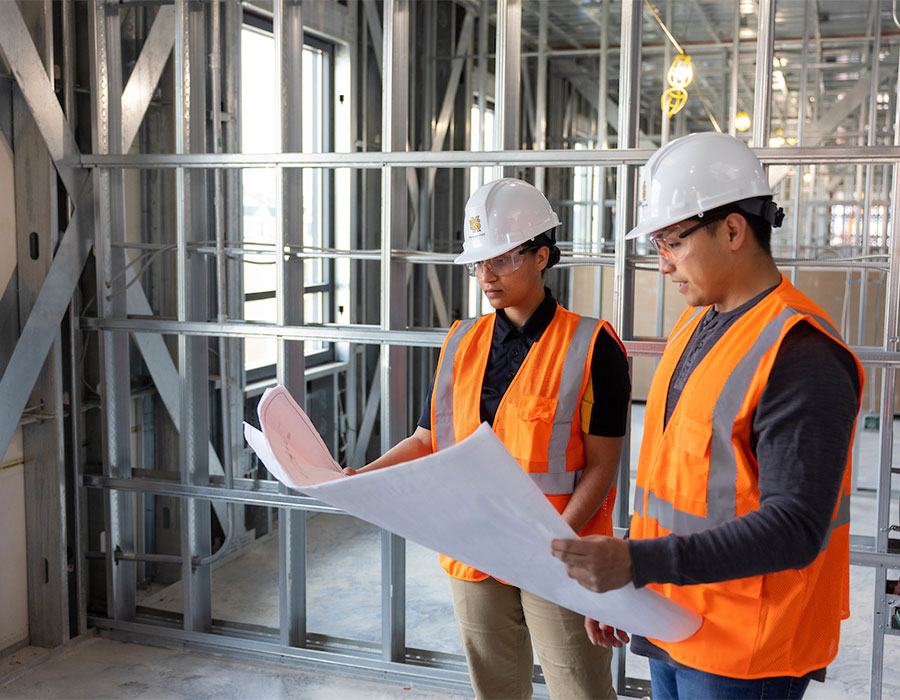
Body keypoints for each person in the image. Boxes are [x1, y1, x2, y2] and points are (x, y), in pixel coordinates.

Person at [551, 132, 865, 699]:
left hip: (744, 653)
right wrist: (632, 588)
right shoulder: (697, 327)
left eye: (672, 239)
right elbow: (679, 490)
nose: (662, 261)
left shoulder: (800, 354)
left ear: (732, 229)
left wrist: (636, 563)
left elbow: (795, 528)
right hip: (673, 620)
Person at [349, 178, 630, 699]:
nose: (485, 275)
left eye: (500, 259)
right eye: (478, 263)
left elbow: (601, 465)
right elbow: (427, 437)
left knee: (581, 689)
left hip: (559, 554)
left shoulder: (592, 345)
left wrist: (555, 542)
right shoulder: (460, 342)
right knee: (495, 689)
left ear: (541, 256)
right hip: (474, 549)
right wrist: (359, 478)